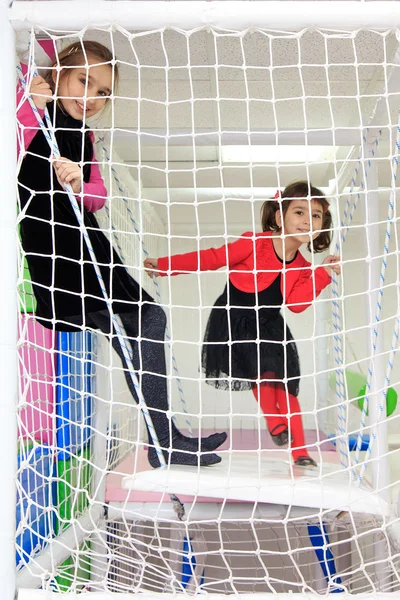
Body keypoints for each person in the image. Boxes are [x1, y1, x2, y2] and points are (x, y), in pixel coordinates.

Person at [17, 40, 226, 468]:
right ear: (56, 75)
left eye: (103, 93)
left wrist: (79, 183)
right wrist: (31, 105)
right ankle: (163, 440)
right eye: (84, 82)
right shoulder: (32, 108)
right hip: (56, 247)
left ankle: (163, 439)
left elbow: (98, 195)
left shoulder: (85, 135)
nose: (91, 99)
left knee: (147, 321)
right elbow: (14, 151)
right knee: (145, 319)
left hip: (87, 242)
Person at [144, 182, 341, 467]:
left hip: (270, 325)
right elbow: (211, 258)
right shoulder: (253, 244)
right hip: (235, 321)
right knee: (261, 372)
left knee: (286, 386)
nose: (307, 221)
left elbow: (297, 304)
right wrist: (165, 265)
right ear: (278, 217)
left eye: (315, 216)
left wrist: (322, 273)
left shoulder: (301, 266)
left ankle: (300, 452)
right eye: (299, 212)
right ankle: (275, 424)